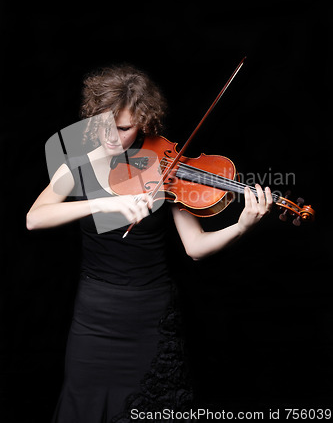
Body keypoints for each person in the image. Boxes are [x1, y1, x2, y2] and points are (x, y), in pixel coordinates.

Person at [26, 64, 273, 422]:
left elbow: (195, 247)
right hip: (94, 319)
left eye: (124, 128)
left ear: (144, 122)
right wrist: (103, 202)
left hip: (150, 315)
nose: (112, 137)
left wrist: (242, 226)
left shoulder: (165, 168)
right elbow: (34, 218)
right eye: (104, 126)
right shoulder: (77, 167)